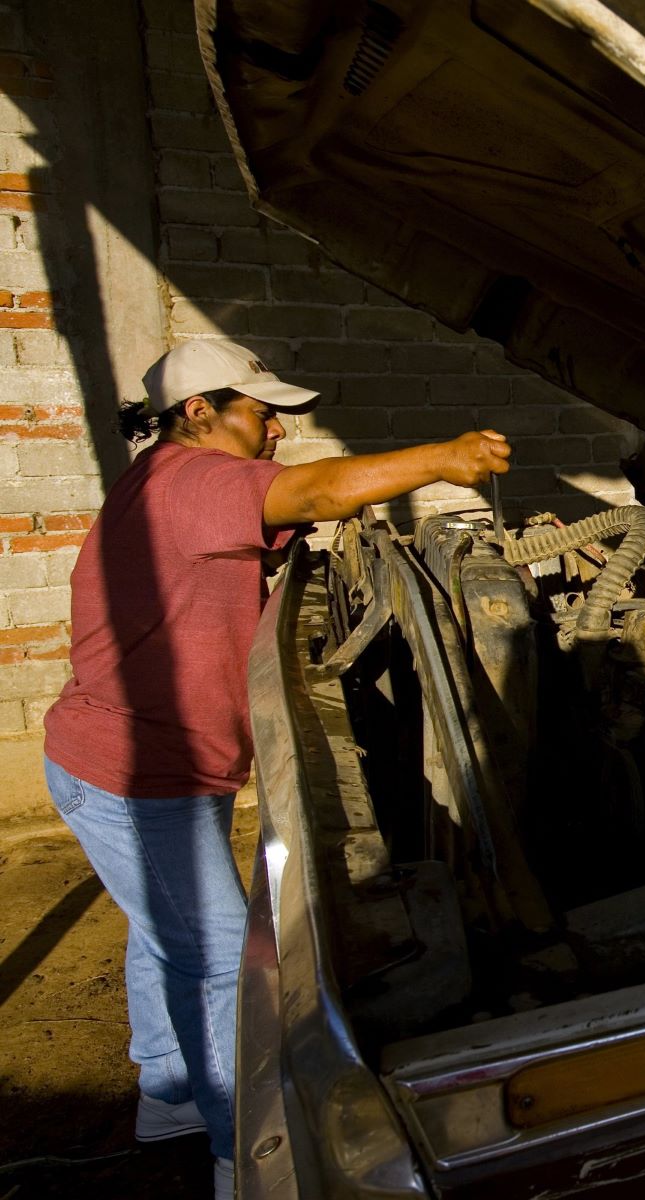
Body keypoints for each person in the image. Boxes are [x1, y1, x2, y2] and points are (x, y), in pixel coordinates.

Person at [39, 339, 511, 1199]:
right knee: (223, 961)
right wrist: (444, 459)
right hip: (132, 775)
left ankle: (170, 1096)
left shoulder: (164, 481)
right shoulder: (188, 482)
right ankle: (241, 1155)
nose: (275, 431)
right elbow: (322, 490)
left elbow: (295, 510)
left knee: (170, 938)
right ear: (198, 412)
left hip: (158, 766)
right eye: (261, 413)